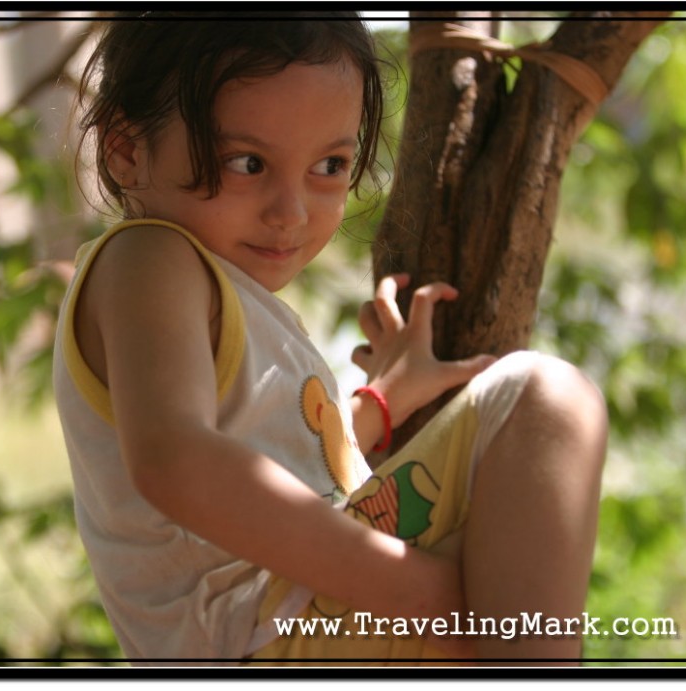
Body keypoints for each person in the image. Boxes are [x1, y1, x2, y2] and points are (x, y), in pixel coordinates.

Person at [52, 11, 607, 665]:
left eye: (330, 164)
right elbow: (178, 463)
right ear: (124, 148)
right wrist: (418, 589)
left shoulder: (216, 290)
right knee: (547, 397)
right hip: (267, 633)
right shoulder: (148, 258)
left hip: (294, 619)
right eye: (248, 162)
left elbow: (274, 465)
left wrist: (375, 406)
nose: (290, 211)